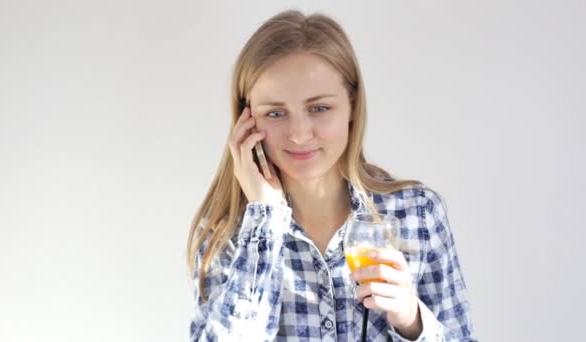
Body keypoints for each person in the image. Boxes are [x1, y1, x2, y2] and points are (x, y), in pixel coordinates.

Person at [187, 9, 476, 341]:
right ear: (247, 121)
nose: (298, 133)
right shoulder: (227, 234)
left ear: (352, 105)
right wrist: (265, 219)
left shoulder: (417, 214)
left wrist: (412, 320)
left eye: (319, 108)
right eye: (276, 113)